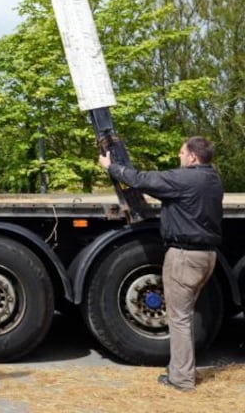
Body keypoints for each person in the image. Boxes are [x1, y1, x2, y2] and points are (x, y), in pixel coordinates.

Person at [98, 136, 222, 392]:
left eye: (181, 153)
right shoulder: (213, 179)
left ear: (193, 157)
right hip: (207, 256)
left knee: (178, 319)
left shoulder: (185, 179)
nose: (179, 157)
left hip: (185, 256)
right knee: (184, 315)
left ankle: (181, 379)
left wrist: (111, 166)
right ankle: (181, 370)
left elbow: (142, 180)